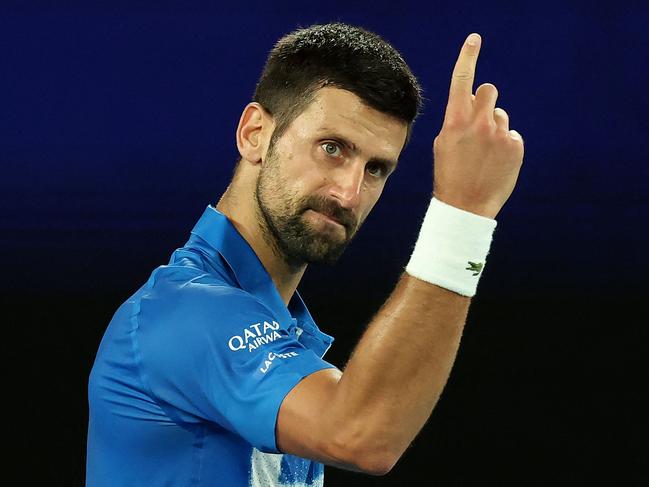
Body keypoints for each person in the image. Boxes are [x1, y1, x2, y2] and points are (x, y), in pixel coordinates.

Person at [86, 22, 524, 486]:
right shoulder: (182, 311)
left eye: (376, 168)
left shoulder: (283, 332)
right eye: (332, 148)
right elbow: (360, 434)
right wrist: (463, 214)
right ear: (255, 133)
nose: (349, 192)